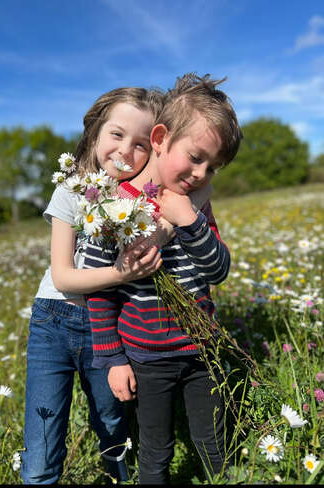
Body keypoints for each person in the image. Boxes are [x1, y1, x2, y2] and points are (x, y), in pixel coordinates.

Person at [84, 73, 243, 484]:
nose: (201, 172)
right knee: (156, 448)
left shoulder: (196, 208)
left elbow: (218, 270)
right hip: (146, 356)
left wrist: (190, 222)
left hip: (202, 349)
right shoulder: (115, 208)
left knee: (211, 440)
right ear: (160, 139)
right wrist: (113, 359)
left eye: (212, 166)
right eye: (195, 157)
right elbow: (101, 293)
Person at [20, 86, 167, 484]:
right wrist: (123, 273)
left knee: (112, 425)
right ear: (96, 133)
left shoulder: (144, 202)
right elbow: (63, 276)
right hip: (54, 319)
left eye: (141, 144)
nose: (125, 151)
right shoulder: (71, 190)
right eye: (117, 135)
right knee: (42, 439)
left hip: (110, 329)